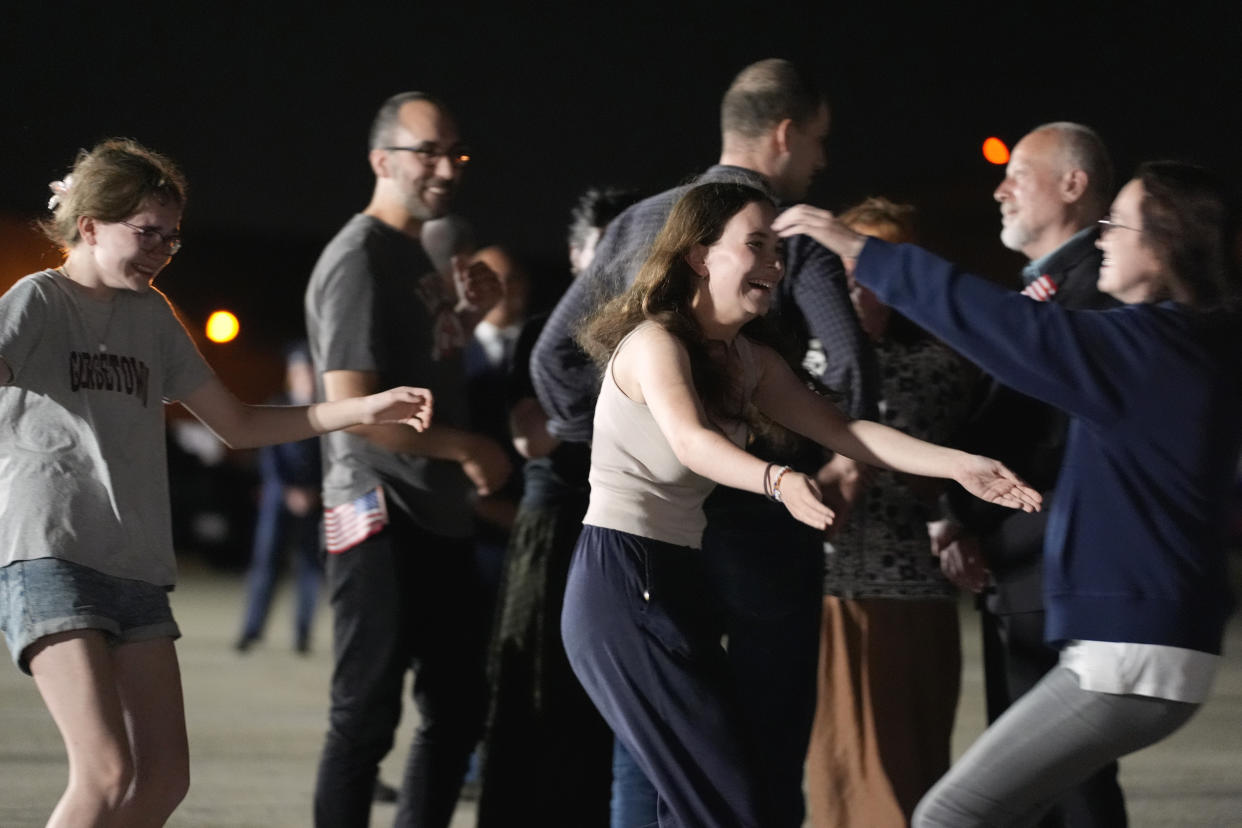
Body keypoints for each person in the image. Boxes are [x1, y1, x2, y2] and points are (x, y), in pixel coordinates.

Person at [774, 159, 1242, 827]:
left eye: (1119, 224)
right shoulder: (1189, 346)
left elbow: (1011, 329)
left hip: (1131, 658)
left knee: (948, 815)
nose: (1102, 236)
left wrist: (863, 253)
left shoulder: (1153, 349)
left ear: (1168, 240)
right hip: (1143, 651)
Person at [562, 181, 1040, 827]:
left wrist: (960, 466)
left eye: (778, 250)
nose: (775, 265)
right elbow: (692, 441)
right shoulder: (655, 344)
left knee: (712, 796)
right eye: (755, 246)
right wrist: (778, 480)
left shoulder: (746, 358)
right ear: (700, 256)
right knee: (722, 796)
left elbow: (846, 431)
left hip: (673, 580)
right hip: (621, 582)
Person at [0, 138, 433, 828]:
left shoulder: (151, 316)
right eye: (147, 234)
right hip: (52, 556)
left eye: (171, 239)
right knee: (107, 773)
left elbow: (236, 423)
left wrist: (358, 408)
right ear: (88, 225)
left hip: (137, 565)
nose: (162, 251)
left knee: (165, 778)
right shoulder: (38, 301)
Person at [532, 58, 878, 828]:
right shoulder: (784, 235)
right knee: (765, 736)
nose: (820, 161)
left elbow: (552, 357)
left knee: (656, 742)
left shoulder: (636, 224)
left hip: (653, 537)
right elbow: (851, 363)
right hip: (763, 520)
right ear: (785, 135)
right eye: (818, 142)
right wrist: (838, 465)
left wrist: (623, 447)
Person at [304, 91, 510, 828]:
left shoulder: (414, 253)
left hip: (439, 513)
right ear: (381, 159)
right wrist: (469, 446)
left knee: (457, 711)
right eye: (428, 151)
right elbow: (356, 410)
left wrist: (467, 317)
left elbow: (421, 371)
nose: (446, 168)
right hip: (379, 509)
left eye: (454, 151)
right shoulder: (358, 259)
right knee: (365, 715)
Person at [933, 121, 1126, 825]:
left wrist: (967, 513)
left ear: (1074, 185)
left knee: (1065, 787)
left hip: (1054, 563)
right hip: (1025, 563)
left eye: (1019, 172)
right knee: (1038, 791)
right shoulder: (1051, 290)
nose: (1000, 188)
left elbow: (1050, 438)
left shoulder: (1096, 293)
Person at [805, 198, 976, 827]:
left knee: (913, 777)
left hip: (913, 592)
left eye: (872, 262)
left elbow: (961, 472)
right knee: (843, 778)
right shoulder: (797, 366)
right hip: (828, 593)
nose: (854, 278)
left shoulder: (938, 367)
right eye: (843, 260)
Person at [476, 187, 639, 828]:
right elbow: (530, 437)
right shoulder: (548, 332)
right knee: (537, 694)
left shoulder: (655, 329)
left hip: (629, 526)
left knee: (616, 706)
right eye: (604, 250)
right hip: (557, 528)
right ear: (576, 256)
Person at [235, 342, 324, 655]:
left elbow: (330, 458)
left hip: (313, 502)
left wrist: (314, 491)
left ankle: (302, 635)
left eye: (311, 373)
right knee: (266, 564)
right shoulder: (279, 404)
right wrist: (288, 490)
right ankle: (251, 631)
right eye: (300, 372)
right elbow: (269, 455)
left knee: (310, 567)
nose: (306, 379)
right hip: (278, 499)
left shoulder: (326, 411)